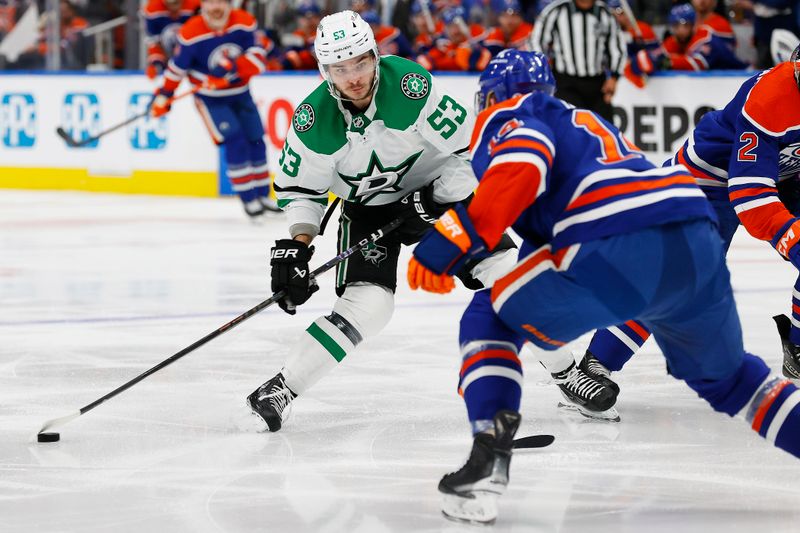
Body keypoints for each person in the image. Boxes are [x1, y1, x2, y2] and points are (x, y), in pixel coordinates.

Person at [407, 49, 800, 525]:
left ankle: (487, 459)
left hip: (617, 235)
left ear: (490, 96)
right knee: (735, 381)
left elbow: (525, 157)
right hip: (690, 226)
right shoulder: (590, 123)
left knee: (489, 316)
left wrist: (459, 232)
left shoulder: (511, 112)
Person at [244, 10, 534, 433]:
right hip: (368, 210)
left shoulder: (410, 87)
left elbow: (469, 149)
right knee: (370, 306)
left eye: (360, 61)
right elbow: (300, 190)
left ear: (375, 55)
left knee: (505, 272)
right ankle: (282, 387)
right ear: (325, 70)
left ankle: (569, 374)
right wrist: (297, 247)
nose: (354, 76)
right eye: (340, 68)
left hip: (439, 193)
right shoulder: (312, 120)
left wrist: (437, 199)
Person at [584, 46, 800, 389]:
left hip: (783, 177)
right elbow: (749, 196)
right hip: (709, 180)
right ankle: (596, 364)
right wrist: (793, 238)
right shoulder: (771, 97)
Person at [151, 0, 280, 219]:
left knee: (256, 140)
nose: (215, 7)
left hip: (241, 94)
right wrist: (164, 95)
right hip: (211, 101)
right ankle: (249, 200)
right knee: (236, 141)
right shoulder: (190, 32)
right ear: (202, 6)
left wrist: (230, 70)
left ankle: (263, 196)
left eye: (221, 1)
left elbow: (259, 58)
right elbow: (177, 68)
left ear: (230, 4)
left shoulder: (245, 22)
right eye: (210, 2)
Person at [529, 0, 626, 123]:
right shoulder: (556, 11)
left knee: (604, 130)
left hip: (597, 84)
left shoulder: (605, 13)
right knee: (570, 127)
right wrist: (543, 69)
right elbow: (536, 41)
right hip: (566, 82)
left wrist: (614, 77)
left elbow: (617, 47)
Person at [630, 3, 747, 74]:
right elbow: (656, 54)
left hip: (741, 76)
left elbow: (696, 63)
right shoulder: (676, 40)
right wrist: (643, 59)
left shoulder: (705, 36)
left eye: (686, 25)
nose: (681, 31)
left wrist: (667, 61)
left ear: (694, 25)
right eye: (676, 26)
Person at [416, 5, 492, 72]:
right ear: (445, 28)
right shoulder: (443, 46)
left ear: (469, 25)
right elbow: (423, 62)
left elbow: (483, 64)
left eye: (458, 26)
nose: (455, 31)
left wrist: (474, 57)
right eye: (450, 27)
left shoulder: (482, 43)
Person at [141, 0, 200, 81]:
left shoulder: (196, 5)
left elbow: (202, 38)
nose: (174, 7)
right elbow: (153, 40)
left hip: (193, 59)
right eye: (170, 3)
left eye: (177, 2)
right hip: (168, 58)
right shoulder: (152, 9)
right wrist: (156, 62)